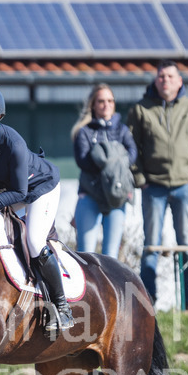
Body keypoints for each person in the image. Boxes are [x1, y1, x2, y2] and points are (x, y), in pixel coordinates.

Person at [0, 85, 73, 333]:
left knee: (34, 241)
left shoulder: (12, 142)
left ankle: (62, 308)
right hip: (3, 188)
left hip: (39, 188)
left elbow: (20, 194)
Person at [126, 60, 188, 310]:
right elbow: (131, 148)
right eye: (161, 76)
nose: (165, 80)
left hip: (185, 187)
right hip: (153, 187)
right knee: (151, 243)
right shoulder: (141, 110)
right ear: (156, 80)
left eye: (170, 76)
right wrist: (140, 179)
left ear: (180, 81)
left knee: (187, 242)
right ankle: (147, 301)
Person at [71, 83, 137, 258]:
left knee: (111, 258)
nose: (106, 104)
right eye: (101, 101)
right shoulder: (84, 132)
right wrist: (116, 159)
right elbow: (84, 161)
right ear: (93, 104)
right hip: (90, 195)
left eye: (110, 100)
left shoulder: (122, 130)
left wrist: (104, 158)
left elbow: (132, 154)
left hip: (116, 198)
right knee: (85, 255)